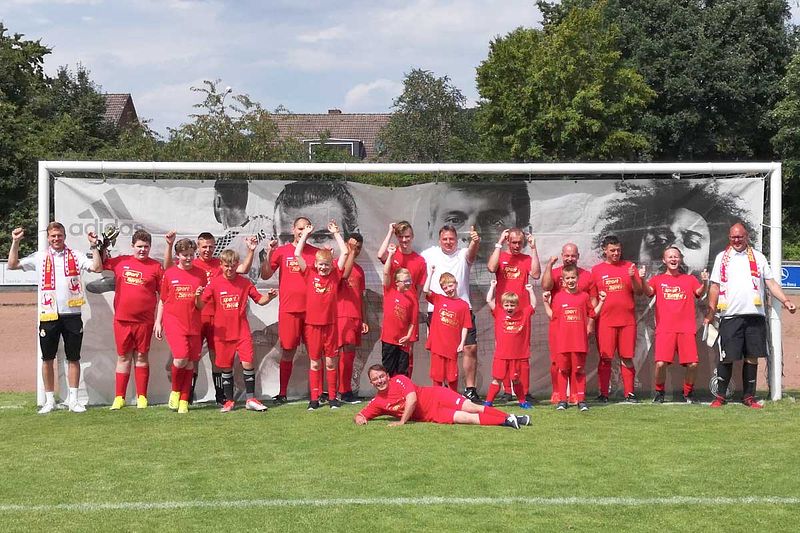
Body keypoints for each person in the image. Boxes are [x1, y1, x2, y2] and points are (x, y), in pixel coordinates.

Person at [7, 222, 102, 414]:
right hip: (49, 314)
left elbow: (97, 268)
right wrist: (15, 242)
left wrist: (94, 246)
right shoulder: (40, 256)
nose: (56, 239)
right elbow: (12, 265)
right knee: (47, 358)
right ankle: (50, 401)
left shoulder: (75, 255)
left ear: (64, 236)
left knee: (73, 358)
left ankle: (73, 400)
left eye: (59, 235)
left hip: (72, 314)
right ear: (48, 238)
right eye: (53, 236)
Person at [705, 223, 796, 408]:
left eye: (740, 237)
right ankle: (720, 397)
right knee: (727, 356)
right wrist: (711, 311)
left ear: (747, 237)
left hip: (755, 316)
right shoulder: (722, 257)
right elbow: (714, 286)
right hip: (730, 316)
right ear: (729, 237)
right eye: (733, 237)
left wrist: (786, 301)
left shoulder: (758, 257)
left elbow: (770, 283)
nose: (736, 240)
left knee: (752, 356)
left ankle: (748, 397)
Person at [165, 230, 256, 404]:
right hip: (196, 317)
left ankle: (220, 395)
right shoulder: (191, 263)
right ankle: (187, 394)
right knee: (194, 357)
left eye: (211, 246)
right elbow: (169, 269)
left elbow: (242, 269)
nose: (207, 250)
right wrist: (169, 245)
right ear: (197, 247)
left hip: (217, 319)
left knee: (217, 357)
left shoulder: (220, 264)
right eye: (204, 247)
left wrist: (251, 250)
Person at [201, 249, 277, 412]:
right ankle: (229, 401)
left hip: (241, 331)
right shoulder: (214, 283)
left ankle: (251, 399)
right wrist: (196, 297)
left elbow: (260, 300)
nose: (230, 269)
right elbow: (200, 304)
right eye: (226, 266)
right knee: (225, 367)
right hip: (222, 333)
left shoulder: (245, 283)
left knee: (248, 363)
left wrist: (269, 297)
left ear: (237, 265)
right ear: (221, 265)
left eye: (233, 266)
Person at [294, 220, 354, 410]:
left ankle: (333, 398)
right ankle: (314, 399)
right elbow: (297, 253)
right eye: (321, 265)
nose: (323, 268)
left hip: (330, 325)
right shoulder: (309, 273)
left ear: (331, 264)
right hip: (312, 325)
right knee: (314, 362)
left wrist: (336, 233)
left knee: (330, 362)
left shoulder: (335, 275)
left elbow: (345, 252)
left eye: (326, 265)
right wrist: (306, 234)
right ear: (316, 264)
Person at [354, 364, 530, 429]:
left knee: (471, 407)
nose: (379, 381)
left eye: (381, 376)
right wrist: (360, 418)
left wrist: (402, 422)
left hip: (437, 396)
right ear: (371, 383)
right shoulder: (378, 402)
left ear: (387, 376)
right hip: (433, 415)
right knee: (467, 419)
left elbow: (412, 400)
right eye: (375, 379)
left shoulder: (399, 380)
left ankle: (508, 417)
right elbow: (360, 415)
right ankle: (509, 420)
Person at [260, 216, 320, 403]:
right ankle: (282, 393)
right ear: (293, 229)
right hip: (289, 310)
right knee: (287, 351)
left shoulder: (316, 253)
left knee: (315, 353)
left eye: (306, 228)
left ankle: (317, 394)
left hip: (312, 311)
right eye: (299, 228)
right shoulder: (282, 251)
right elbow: (265, 274)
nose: (302, 231)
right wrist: (269, 253)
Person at [103, 229, 164, 410]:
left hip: (145, 321)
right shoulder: (121, 261)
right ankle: (119, 397)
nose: (142, 250)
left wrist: (159, 321)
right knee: (123, 357)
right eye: (139, 246)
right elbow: (100, 264)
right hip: (122, 320)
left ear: (150, 247)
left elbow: (164, 296)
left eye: (146, 247)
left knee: (141, 356)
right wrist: (100, 245)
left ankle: (142, 397)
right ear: (132, 246)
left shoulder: (156, 267)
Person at [641, 247, 708, 404]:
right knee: (660, 363)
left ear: (680, 259)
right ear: (664, 260)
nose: (673, 259)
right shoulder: (658, 279)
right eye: (670, 257)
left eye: (676, 257)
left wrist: (705, 282)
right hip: (665, 329)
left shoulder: (689, 279)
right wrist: (642, 279)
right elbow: (648, 291)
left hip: (686, 329)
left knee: (692, 364)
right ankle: (659, 393)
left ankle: (688, 393)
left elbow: (699, 291)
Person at [421, 225, 481, 401]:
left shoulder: (463, 254)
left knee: (470, 347)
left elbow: (472, 252)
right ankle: (439, 391)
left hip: (463, 309)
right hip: (437, 311)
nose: (448, 242)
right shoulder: (429, 254)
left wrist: (475, 242)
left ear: (456, 239)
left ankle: (470, 389)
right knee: (439, 353)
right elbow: (412, 261)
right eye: (445, 239)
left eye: (451, 239)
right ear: (439, 240)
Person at [487, 227, 541, 401]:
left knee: (522, 352)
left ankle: (524, 391)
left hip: (522, 312)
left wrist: (533, 248)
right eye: (513, 242)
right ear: (508, 242)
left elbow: (536, 273)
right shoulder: (501, 256)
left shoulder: (526, 258)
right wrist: (499, 243)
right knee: (504, 350)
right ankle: (507, 391)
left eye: (520, 242)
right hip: (503, 312)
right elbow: (491, 267)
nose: (517, 246)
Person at [542, 265, 606, 412]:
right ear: (563, 281)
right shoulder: (558, 297)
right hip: (563, 343)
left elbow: (593, 314)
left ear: (577, 279)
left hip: (579, 342)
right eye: (567, 278)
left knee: (579, 370)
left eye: (573, 278)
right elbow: (552, 316)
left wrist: (602, 301)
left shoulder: (584, 297)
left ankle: (581, 400)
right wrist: (546, 302)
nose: (570, 281)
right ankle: (563, 401)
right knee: (563, 370)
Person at [155, 238, 206, 414]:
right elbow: (163, 300)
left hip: (193, 322)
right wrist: (158, 322)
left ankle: (184, 400)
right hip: (174, 321)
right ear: (178, 255)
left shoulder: (200, 274)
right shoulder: (169, 274)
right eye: (185, 255)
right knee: (181, 358)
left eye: (191, 255)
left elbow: (200, 306)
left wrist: (199, 296)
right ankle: (175, 391)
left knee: (191, 363)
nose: (188, 258)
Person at [590, 235, 644, 403]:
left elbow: (639, 291)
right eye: (612, 250)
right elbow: (593, 298)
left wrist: (634, 277)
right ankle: (604, 393)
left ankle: (629, 393)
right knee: (605, 357)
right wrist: (592, 319)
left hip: (627, 321)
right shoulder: (597, 270)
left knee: (627, 356)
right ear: (604, 250)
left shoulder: (629, 266)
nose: (616, 253)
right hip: (605, 322)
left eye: (618, 250)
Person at [427, 182, 531, 265]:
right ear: (431, 230)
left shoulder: (528, 265)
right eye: (454, 220)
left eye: (492, 221)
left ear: (525, 234)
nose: (472, 236)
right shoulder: (425, 261)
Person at [541, 243, 594, 404]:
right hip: (558, 325)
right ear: (562, 255)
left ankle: (575, 394)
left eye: (573, 256)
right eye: (567, 255)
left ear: (578, 256)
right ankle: (558, 392)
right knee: (557, 361)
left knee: (576, 363)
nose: (570, 258)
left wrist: (590, 324)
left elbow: (592, 299)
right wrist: (549, 265)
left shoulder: (587, 275)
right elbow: (545, 286)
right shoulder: (556, 273)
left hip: (577, 326)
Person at [377, 221, 427, 377]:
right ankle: (390, 391)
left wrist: (410, 304)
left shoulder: (419, 261)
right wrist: (389, 232)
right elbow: (380, 255)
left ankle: (406, 389)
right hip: (393, 310)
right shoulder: (393, 254)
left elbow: (418, 290)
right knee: (390, 356)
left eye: (407, 237)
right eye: (401, 237)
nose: (404, 240)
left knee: (407, 354)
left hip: (409, 311)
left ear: (412, 237)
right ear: (397, 237)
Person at [484, 280, 536, 409]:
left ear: (517, 305)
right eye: (506, 305)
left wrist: (530, 291)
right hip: (501, 355)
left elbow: (533, 304)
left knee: (516, 380)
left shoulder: (523, 314)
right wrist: (492, 286)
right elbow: (488, 300)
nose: (509, 307)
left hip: (517, 355)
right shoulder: (499, 313)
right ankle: (488, 402)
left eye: (512, 305)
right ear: (503, 305)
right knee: (497, 379)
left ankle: (522, 401)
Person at [422, 266, 473, 391]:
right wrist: (431, 273)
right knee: (437, 376)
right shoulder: (439, 299)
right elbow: (425, 290)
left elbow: (466, 326)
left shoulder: (463, 305)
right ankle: (437, 399)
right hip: (437, 345)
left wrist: (462, 343)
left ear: (455, 284)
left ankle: (453, 399)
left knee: (452, 376)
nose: (448, 289)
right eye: (445, 288)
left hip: (452, 346)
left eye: (450, 286)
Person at [336, 233, 370, 403]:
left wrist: (363, 319)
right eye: (351, 246)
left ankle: (344, 390)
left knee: (349, 354)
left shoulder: (360, 271)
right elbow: (341, 277)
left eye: (357, 248)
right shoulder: (337, 266)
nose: (354, 250)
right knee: (342, 352)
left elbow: (361, 296)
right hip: (342, 314)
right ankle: (343, 391)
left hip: (355, 316)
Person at [380, 245, 416, 377]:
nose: (407, 284)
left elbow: (412, 322)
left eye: (409, 281)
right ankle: (388, 396)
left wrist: (408, 336)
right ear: (397, 282)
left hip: (403, 341)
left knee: (402, 372)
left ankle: (401, 395)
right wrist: (390, 255)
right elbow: (385, 272)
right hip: (389, 339)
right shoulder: (389, 291)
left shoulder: (410, 300)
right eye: (405, 281)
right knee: (388, 370)